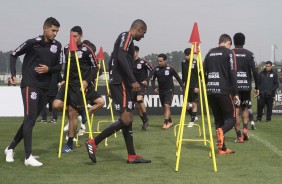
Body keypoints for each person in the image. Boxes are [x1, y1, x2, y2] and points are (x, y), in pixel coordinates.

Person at [85, 19, 151, 164]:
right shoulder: (126, 36)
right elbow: (120, 57)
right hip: (122, 82)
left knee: (128, 120)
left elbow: (115, 59)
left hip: (120, 82)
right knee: (126, 119)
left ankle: (132, 155)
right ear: (138, 29)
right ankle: (94, 142)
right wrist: (132, 80)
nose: (143, 36)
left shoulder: (126, 39)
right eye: (144, 33)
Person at [5, 17, 62, 166]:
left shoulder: (57, 46)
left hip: (45, 87)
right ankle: (28, 157)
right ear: (45, 28)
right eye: (53, 30)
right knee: (30, 119)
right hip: (30, 85)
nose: (55, 34)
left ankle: (10, 148)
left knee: (30, 121)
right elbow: (13, 54)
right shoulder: (33, 42)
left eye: (57, 31)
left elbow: (59, 67)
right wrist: (12, 75)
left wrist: (48, 69)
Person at [53, 26, 105, 153]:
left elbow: (95, 67)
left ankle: (69, 143)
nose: (73, 38)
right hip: (68, 83)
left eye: (75, 36)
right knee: (56, 105)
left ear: (81, 36)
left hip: (79, 85)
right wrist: (63, 79)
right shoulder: (66, 48)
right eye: (71, 36)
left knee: (72, 113)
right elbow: (64, 66)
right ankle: (79, 114)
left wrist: (87, 81)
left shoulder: (86, 50)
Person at [203, 34, 239, 155]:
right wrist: (236, 93)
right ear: (228, 43)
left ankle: (222, 148)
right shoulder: (229, 53)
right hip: (223, 90)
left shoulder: (209, 53)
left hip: (210, 91)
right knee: (232, 119)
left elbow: (202, 72)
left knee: (218, 120)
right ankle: (222, 132)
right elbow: (233, 73)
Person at [232, 32, 259, 143]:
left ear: (234, 41)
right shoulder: (249, 54)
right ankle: (245, 130)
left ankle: (239, 136)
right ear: (244, 42)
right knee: (245, 108)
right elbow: (255, 70)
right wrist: (257, 87)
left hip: (234, 87)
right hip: (246, 86)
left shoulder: (230, 53)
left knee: (236, 111)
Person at [151, 53, 184, 129]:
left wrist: (182, 86)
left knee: (167, 106)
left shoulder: (170, 69)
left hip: (169, 90)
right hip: (161, 91)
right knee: (165, 108)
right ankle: (170, 121)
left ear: (165, 61)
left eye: (161, 61)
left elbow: (178, 78)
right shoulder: (156, 69)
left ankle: (165, 123)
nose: (159, 63)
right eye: (158, 61)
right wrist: (154, 88)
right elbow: (152, 80)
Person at [133, 46, 154, 130]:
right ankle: (145, 121)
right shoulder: (129, 62)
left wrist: (147, 80)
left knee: (139, 99)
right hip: (133, 85)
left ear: (137, 52)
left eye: (133, 52)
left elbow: (152, 70)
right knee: (137, 106)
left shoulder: (143, 62)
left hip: (142, 84)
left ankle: (146, 118)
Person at [182, 48, 199, 128]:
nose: (186, 56)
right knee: (185, 105)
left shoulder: (196, 62)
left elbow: (200, 76)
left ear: (192, 54)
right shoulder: (183, 62)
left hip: (194, 86)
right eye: (185, 55)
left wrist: (197, 86)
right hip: (187, 86)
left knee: (194, 103)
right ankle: (193, 116)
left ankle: (192, 121)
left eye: (188, 55)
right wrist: (182, 85)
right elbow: (183, 75)